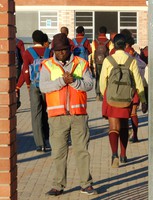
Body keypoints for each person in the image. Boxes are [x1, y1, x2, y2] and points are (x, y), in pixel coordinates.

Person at [40, 33, 96, 196]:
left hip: (78, 115)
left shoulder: (81, 63)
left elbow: (90, 84)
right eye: (57, 50)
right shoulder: (47, 65)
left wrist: (75, 82)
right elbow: (43, 87)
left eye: (63, 50)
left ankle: (86, 184)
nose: (60, 53)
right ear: (53, 51)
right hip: (57, 117)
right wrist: (62, 81)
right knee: (58, 152)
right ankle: (58, 185)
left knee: (82, 151)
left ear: (69, 49)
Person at [99, 34, 147, 168]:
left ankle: (114, 154)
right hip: (126, 98)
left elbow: (102, 80)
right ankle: (123, 154)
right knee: (125, 126)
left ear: (113, 45)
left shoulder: (108, 60)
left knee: (113, 127)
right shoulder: (131, 61)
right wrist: (143, 99)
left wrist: (105, 95)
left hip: (112, 97)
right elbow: (138, 81)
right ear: (125, 45)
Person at [15, 30, 50, 152]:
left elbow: (25, 71)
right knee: (46, 112)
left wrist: (20, 86)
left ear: (33, 40)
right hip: (47, 86)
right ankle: (47, 140)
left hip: (34, 86)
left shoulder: (28, 53)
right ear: (42, 40)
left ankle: (39, 144)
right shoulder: (48, 52)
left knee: (36, 114)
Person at [91, 26, 110, 101]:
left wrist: (92, 61)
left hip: (98, 61)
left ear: (99, 32)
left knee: (98, 77)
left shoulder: (95, 41)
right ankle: (104, 93)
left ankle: (97, 94)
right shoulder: (108, 42)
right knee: (105, 77)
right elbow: (110, 52)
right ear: (105, 32)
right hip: (106, 62)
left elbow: (93, 52)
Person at [15, 37, 25, 109]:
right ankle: (16, 103)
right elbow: (23, 56)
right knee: (16, 85)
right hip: (16, 67)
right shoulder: (19, 42)